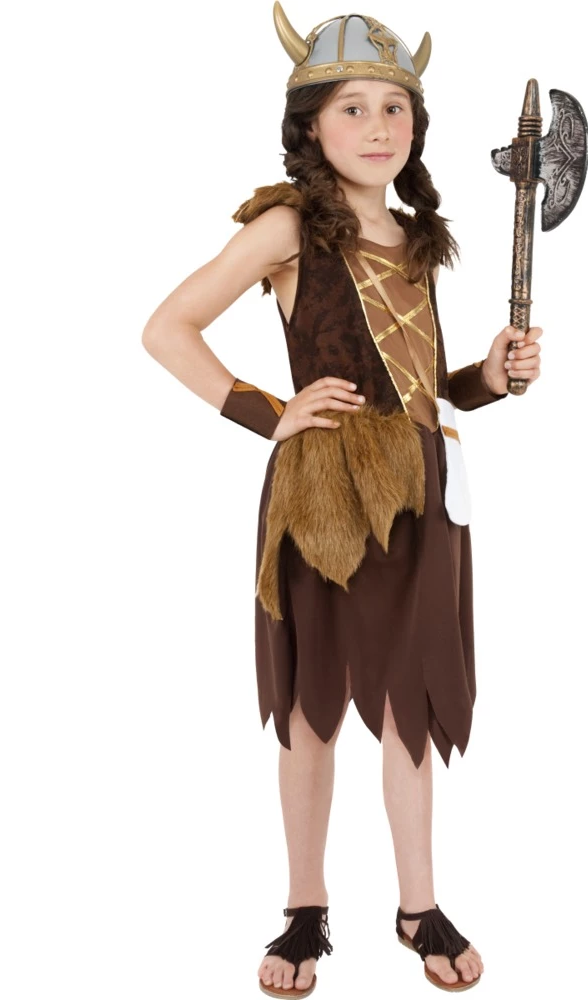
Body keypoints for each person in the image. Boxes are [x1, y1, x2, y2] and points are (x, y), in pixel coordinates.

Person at [142, 6, 542, 996]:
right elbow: (168, 327)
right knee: (310, 707)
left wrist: (489, 376)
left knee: (413, 701)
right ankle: (304, 908)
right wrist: (269, 413)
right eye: (353, 108)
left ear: (417, 127)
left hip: (420, 491)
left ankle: (418, 905)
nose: (377, 126)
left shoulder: (415, 237)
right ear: (311, 125)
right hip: (322, 495)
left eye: (395, 108)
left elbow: (425, 390)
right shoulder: (287, 226)